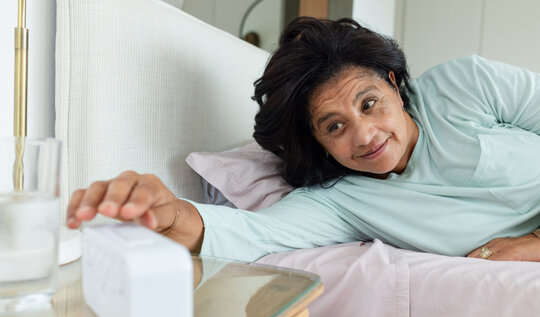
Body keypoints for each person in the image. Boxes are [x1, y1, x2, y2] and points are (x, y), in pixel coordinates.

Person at [66, 17, 540, 263]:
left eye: (368, 102)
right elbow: (252, 235)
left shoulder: (466, 86)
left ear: (394, 84)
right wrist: (165, 213)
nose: (365, 134)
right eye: (334, 126)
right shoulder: (341, 201)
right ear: (317, 142)